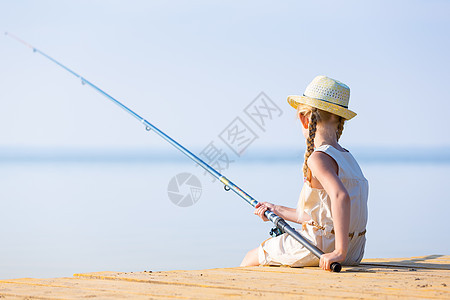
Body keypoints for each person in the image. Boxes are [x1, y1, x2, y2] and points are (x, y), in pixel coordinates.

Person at [240, 75, 368, 271]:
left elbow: (340, 196)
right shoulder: (348, 158)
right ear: (340, 120)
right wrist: (276, 209)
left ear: (304, 118)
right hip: (354, 251)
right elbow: (323, 217)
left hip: (324, 248)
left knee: (251, 257)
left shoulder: (318, 158)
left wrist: (338, 252)